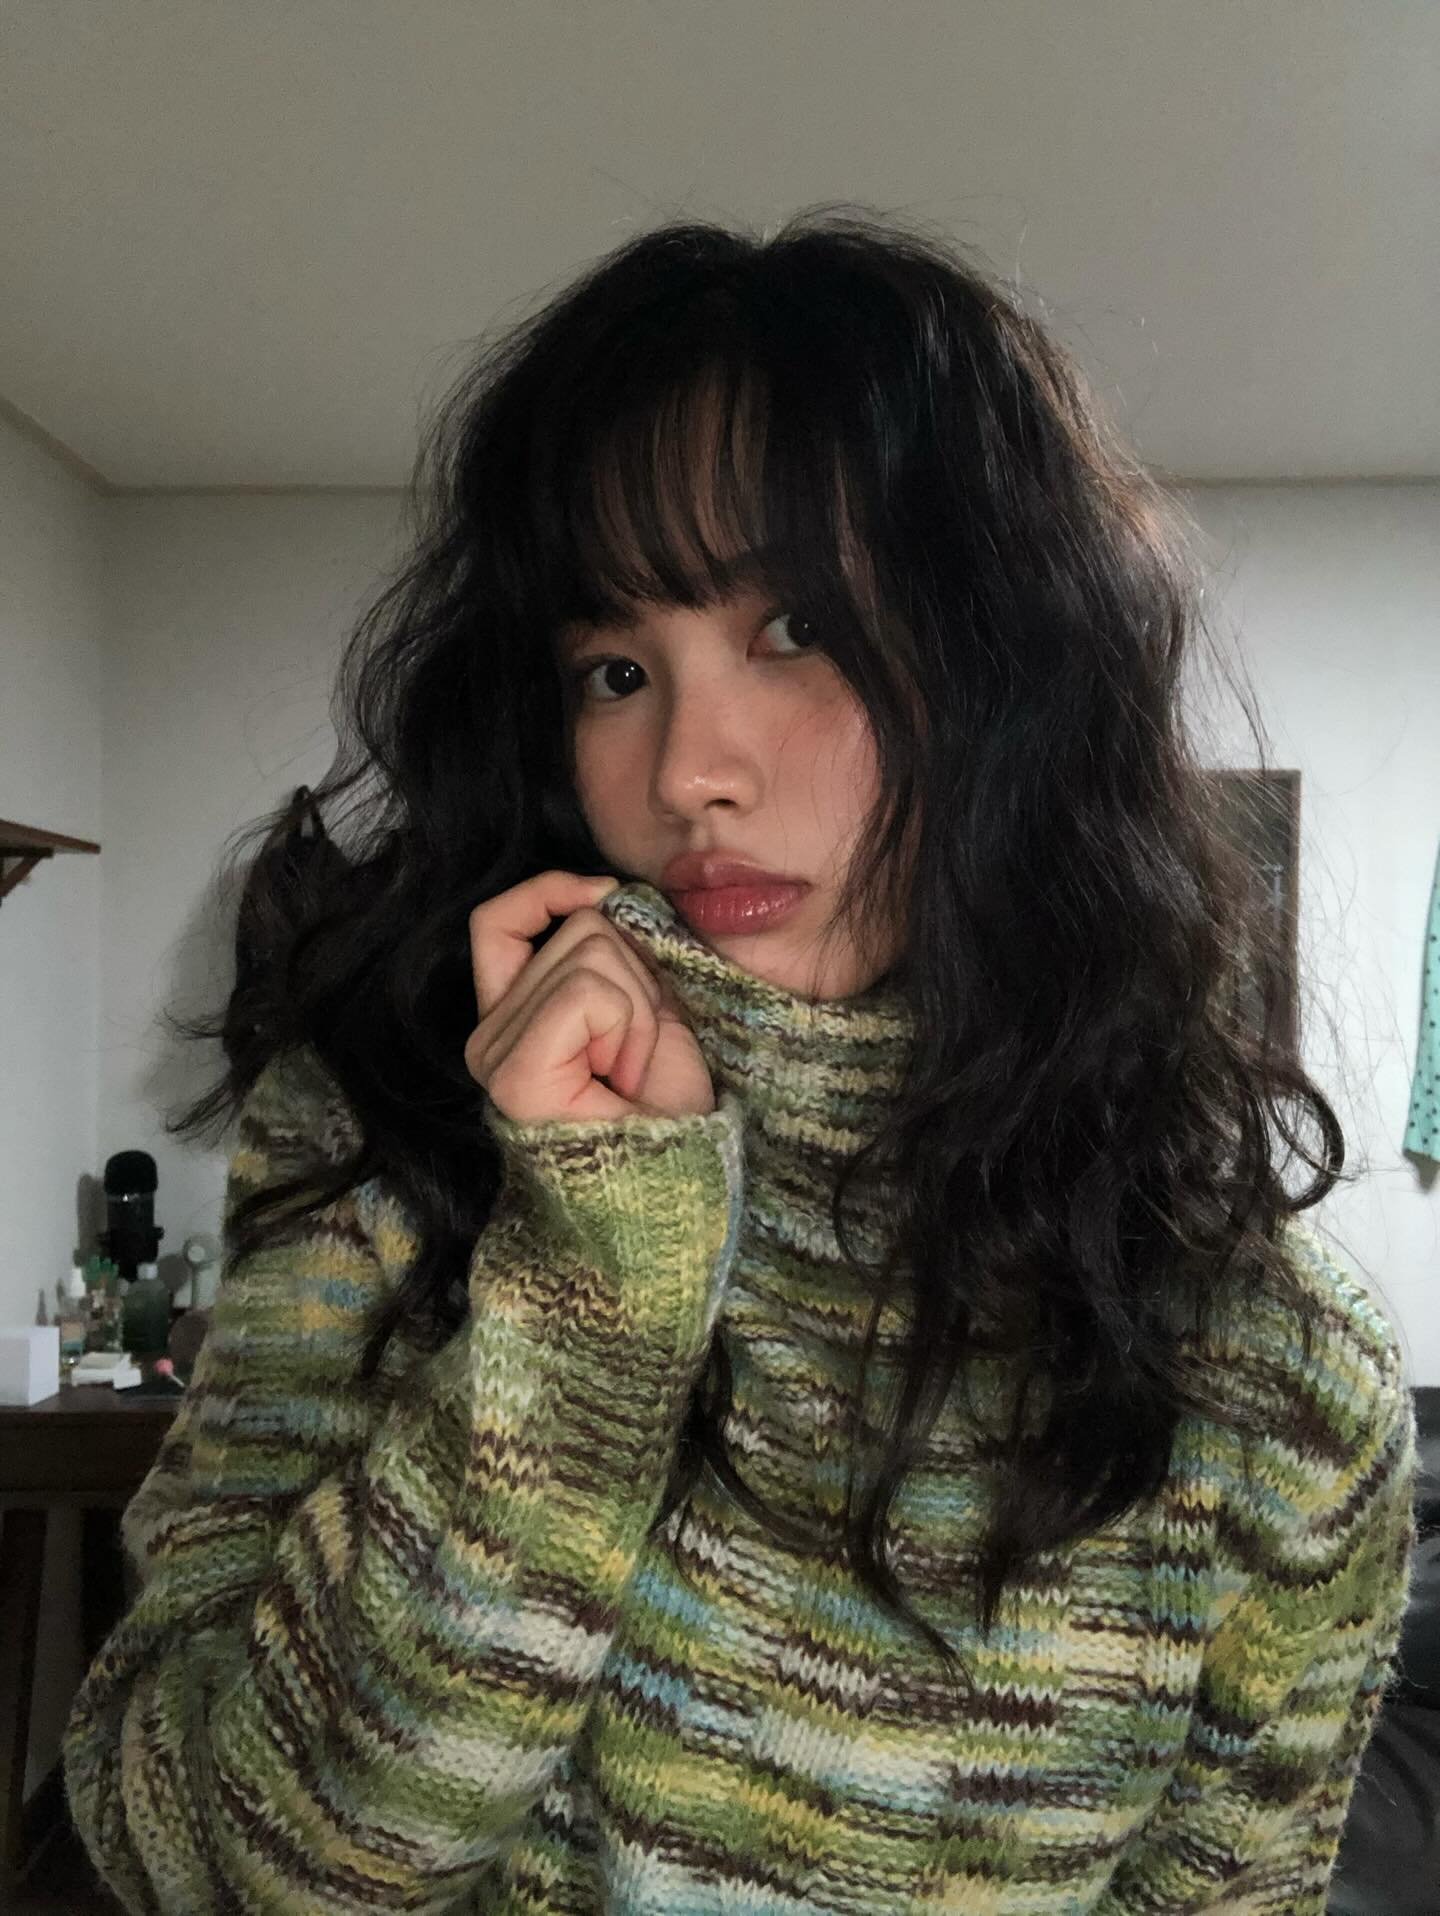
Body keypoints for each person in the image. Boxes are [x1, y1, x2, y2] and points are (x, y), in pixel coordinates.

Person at [62, 207, 1416, 1915]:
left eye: (799, 633)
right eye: (616, 670)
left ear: (1013, 669)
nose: (689, 768)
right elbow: (195, 1859)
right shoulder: (384, 1141)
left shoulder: (1276, 1376)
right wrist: (591, 1310)